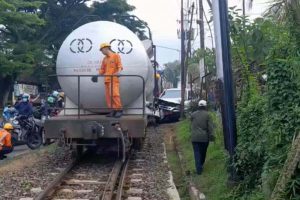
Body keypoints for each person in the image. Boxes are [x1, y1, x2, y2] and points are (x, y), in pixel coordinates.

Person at [98, 42, 123, 118]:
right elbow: (102, 69)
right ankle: (113, 110)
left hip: (114, 79)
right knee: (108, 96)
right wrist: (97, 75)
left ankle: (119, 110)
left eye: (102, 50)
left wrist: (118, 72)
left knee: (114, 95)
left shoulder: (116, 56)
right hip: (107, 80)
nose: (101, 52)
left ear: (106, 48)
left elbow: (119, 66)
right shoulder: (105, 59)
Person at [190, 100, 214, 175]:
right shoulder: (208, 115)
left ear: (198, 106)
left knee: (197, 153)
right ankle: (200, 166)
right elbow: (210, 127)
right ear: (205, 106)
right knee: (203, 153)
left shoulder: (193, 114)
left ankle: (198, 169)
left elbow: (190, 126)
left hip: (194, 138)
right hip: (204, 138)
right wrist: (211, 136)